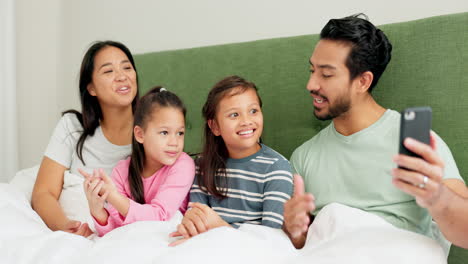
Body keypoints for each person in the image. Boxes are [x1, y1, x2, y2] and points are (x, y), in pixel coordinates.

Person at [283, 14, 467, 249]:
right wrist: (294, 232)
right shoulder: (304, 157)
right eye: (312, 71)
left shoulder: (415, 143)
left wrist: (437, 197)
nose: (311, 85)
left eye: (326, 74)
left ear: (362, 82)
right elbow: (299, 246)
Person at [31, 40, 139, 237]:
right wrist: (65, 227)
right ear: (91, 88)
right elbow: (43, 192)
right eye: (109, 71)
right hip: (72, 233)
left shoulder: (151, 133)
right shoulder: (72, 126)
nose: (122, 76)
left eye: (127, 67)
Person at [170, 75, 293, 246]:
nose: (246, 121)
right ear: (215, 127)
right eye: (234, 114)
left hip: (254, 249)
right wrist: (192, 225)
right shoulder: (203, 164)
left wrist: (221, 229)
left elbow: (273, 237)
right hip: (212, 242)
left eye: (253, 111)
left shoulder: (276, 168)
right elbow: (198, 213)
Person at [79, 87, 195, 237]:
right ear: (140, 134)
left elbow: (160, 216)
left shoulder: (183, 165)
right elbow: (115, 231)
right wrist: (97, 209)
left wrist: (113, 197)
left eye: (180, 133)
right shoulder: (122, 171)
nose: (175, 142)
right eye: (164, 132)